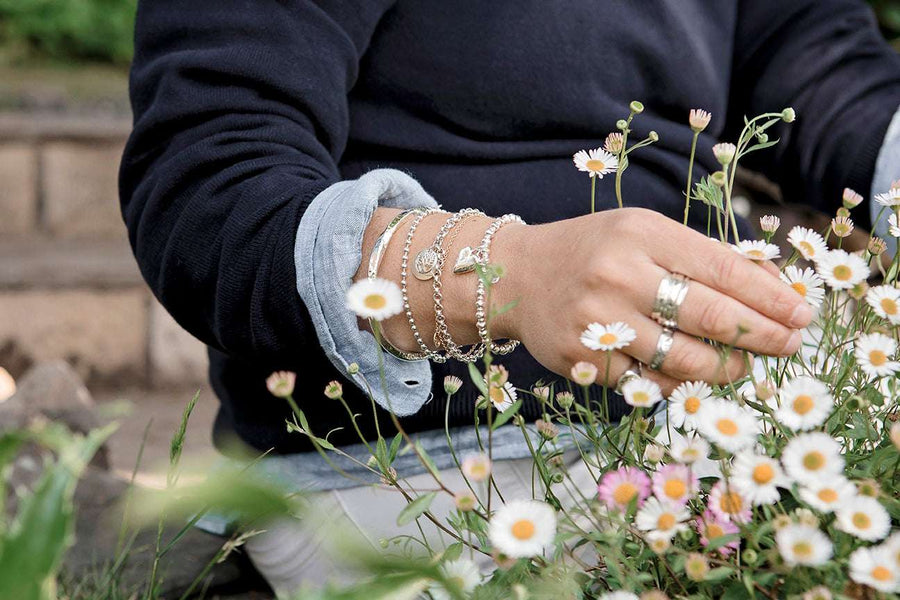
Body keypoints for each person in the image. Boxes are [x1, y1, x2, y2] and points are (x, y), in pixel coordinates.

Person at [120, 0, 900, 591]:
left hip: (709, 430)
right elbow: (208, 192)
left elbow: (821, 68)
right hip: (414, 471)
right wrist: (509, 275)